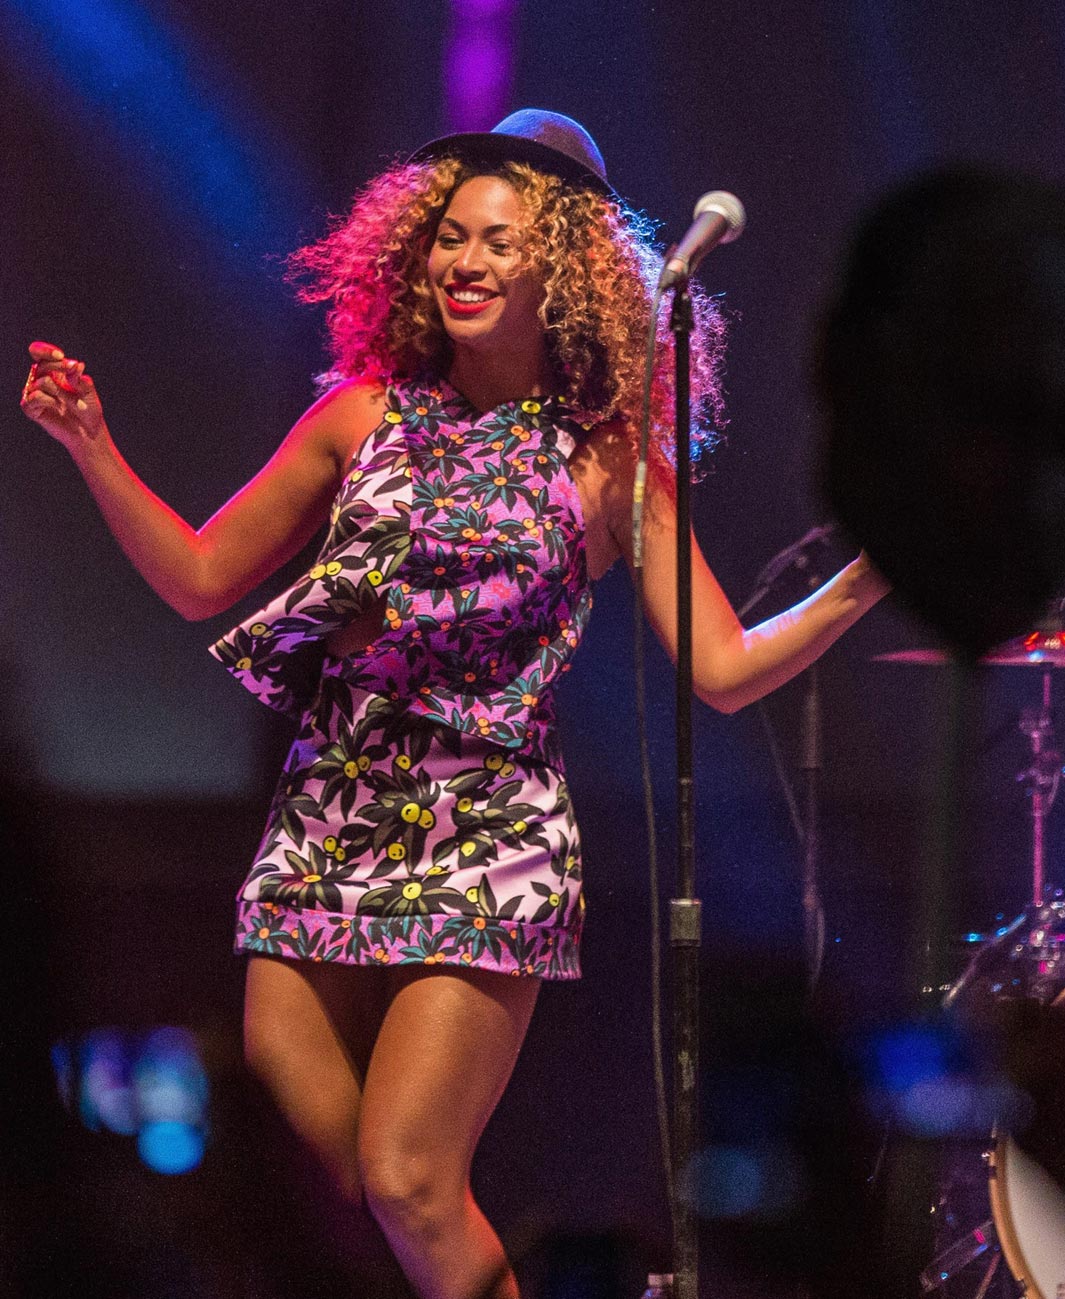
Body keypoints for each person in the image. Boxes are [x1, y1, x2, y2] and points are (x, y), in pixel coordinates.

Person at [19, 110, 888, 1299]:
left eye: (497, 242)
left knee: (409, 1178)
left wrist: (869, 577)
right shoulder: (358, 415)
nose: (463, 262)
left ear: (566, 272)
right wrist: (93, 444)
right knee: (303, 1177)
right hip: (327, 815)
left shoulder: (606, 458)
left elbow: (724, 669)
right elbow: (201, 578)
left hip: (489, 834)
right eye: (448, 238)